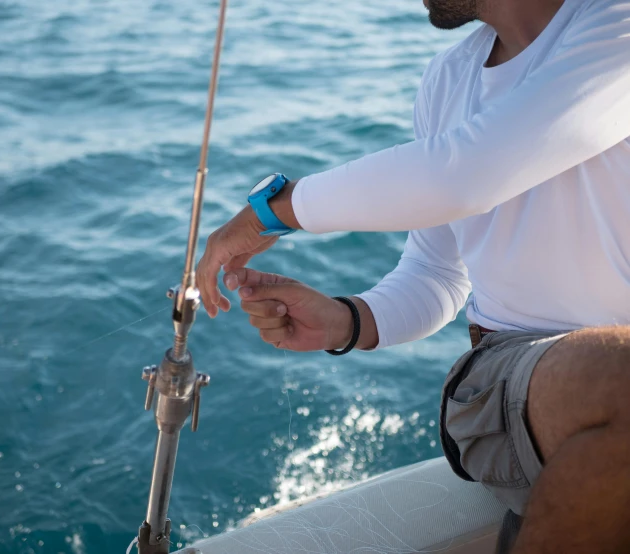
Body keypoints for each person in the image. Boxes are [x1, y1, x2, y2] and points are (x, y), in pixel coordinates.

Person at [196, 0, 630, 552]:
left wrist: (271, 212)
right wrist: (348, 320)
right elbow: (436, 270)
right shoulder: (449, 79)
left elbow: (465, 173)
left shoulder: (618, 25)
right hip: (502, 379)